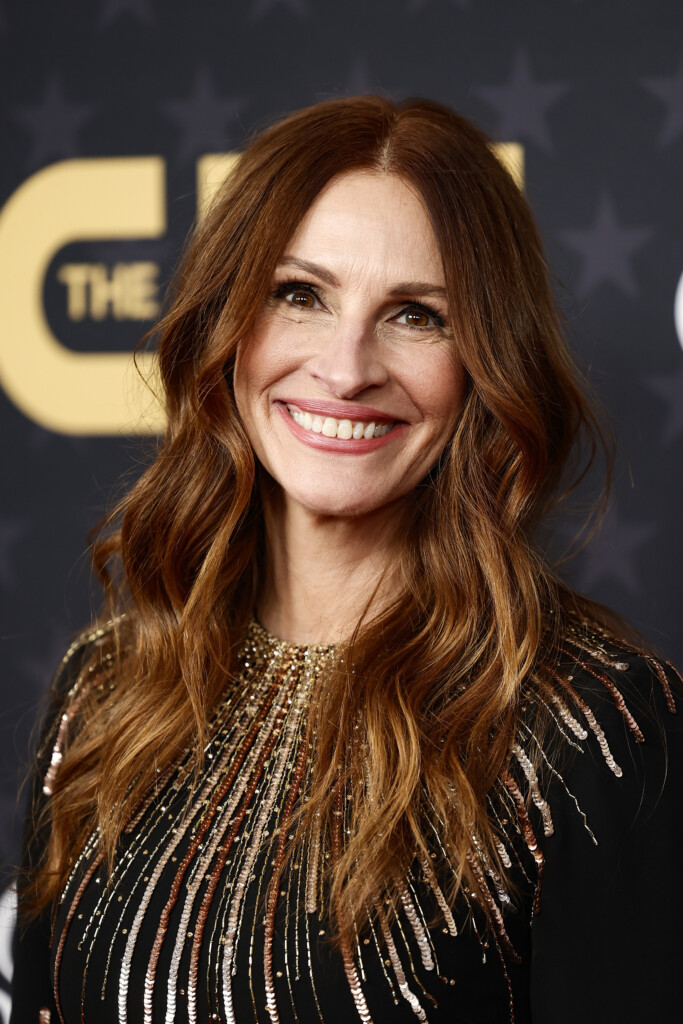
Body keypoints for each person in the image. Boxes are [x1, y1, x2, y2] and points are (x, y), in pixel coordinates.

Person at [10, 95, 683, 1024]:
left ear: (485, 362)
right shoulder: (107, 688)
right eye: (300, 295)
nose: (345, 365)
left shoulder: (594, 728)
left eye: (415, 315)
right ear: (227, 324)